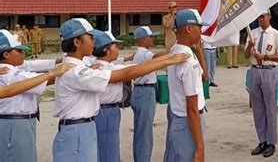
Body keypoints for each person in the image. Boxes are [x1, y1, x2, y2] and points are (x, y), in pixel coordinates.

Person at [52, 18, 188, 162]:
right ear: (77, 42)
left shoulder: (81, 68)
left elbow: (131, 69)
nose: (93, 41)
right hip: (76, 130)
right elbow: (126, 73)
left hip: (84, 126)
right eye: (90, 37)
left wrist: (172, 55)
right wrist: (168, 60)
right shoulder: (75, 72)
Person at [0, 29, 75, 161]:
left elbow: (30, 65)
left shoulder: (12, 69)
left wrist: (58, 65)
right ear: (6, 54)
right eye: (19, 51)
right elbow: (44, 80)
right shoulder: (8, 73)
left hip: (18, 122)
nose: (23, 53)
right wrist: (55, 73)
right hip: (14, 124)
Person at [164, 9, 208, 162]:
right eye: (199, 27)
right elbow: (192, 109)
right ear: (189, 28)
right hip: (188, 123)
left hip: (179, 119)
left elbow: (204, 76)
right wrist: (200, 147)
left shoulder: (176, 51)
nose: (201, 32)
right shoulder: (187, 61)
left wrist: (200, 52)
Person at [245, 9, 278, 158]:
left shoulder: (275, 34)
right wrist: (250, 46)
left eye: (263, 16)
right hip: (255, 70)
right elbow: (245, 55)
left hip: (269, 70)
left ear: (269, 17)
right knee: (258, 109)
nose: (261, 19)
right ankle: (262, 140)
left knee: (270, 108)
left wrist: (266, 56)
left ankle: (271, 142)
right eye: (259, 17)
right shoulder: (253, 33)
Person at [90, 30, 127, 162]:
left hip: (105, 111)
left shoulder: (102, 65)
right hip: (105, 112)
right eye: (115, 47)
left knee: (105, 147)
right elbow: (136, 69)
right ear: (106, 49)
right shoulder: (105, 68)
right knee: (108, 149)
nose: (118, 50)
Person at [130, 26, 163, 162]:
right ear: (143, 40)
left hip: (140, 91)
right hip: (145, 91)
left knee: (141, 129)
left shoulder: (139, 53)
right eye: (151, 37)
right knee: (145, 132)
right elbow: (156, 56)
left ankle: (140, 157)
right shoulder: (144, 53)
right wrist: (173, 50)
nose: (153, 39)